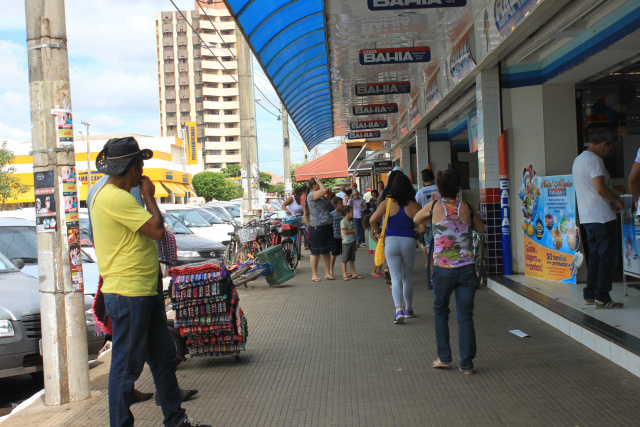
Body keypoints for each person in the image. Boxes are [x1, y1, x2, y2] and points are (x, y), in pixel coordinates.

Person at [90, 137, 208, 427]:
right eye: (140, 166)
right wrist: (149, 196)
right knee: (126, 367)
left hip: (143, 288)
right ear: (132, 168)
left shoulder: (107, 193)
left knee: (163, 357)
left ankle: (176, 419)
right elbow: (156, 230)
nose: (142, 173)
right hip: (129, 292)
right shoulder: (113, 197)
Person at [414, 169, 484, 375]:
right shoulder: (467, 207)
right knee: (465, 316)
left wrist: (433, 223)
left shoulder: (434, 206)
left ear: (437, 189)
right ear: (459, 188)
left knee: (441, 312)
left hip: (443, 270)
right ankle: (467, 364)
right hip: (466, 269)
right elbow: (480, 229)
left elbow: (417, 218)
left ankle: (444, 358)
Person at [572, 127, 625, 309]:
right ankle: (603, 297)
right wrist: (618, 200)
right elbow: (600, 189)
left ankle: (590, 293)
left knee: (594, 256)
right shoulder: (595, 160)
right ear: (603, 144)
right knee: (607, 258)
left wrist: (615, 187)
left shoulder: (579, 160)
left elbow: (594, 185)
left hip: (588, 218)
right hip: (603, 218)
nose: (609, 152)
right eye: (610, 148)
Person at [370, 173, 422, 324]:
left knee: (396, 278)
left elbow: (373, 219)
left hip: (391, 242)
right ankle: (409, 309)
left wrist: (379, 232)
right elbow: (423, 228)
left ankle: (398, 309)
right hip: (408, 242)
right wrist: (415, 231)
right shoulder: (414, 205)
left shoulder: (388, 202)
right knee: (407, 278)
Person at [304, 177, 335, 281]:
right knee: (315, 251)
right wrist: (320, 183)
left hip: (326, 225)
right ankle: (314, 275)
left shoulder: (319, 195)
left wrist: (327, 193)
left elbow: (328, 199)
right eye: (318, 184)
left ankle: (327, 273)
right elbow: (323, 191)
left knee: (326, 251)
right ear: (315, 185)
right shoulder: (311, 195)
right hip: (317, 227)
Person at [415, 168, 439, 284]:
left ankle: (432, 273)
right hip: (440, 223)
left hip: (427, 224)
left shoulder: (420, 192)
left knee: (429, 249)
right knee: (441, 247)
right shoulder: (439, 189)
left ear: (423, 180)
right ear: (434, 178)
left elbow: (417, 207)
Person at [340, 206, 361, 280]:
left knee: (352, 259)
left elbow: (354, 234)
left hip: (352, 242)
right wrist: (353, 231)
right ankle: (344, 273)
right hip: (346, 243)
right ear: (347, 213)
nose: (353, 213)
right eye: (352, 212)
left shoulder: (351, 222)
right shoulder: (343, 221)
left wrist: (355, 244)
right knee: (344, 259)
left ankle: (354, 273)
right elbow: (345, 232)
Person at [363, 213, 384, 277]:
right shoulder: (373, 226)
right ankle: (373, 271)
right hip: (374, 244)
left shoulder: (376, 225)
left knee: (380, 256)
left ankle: (379, 270)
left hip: (376, 243)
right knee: (376, 258)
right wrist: (377, 242)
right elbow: (372, 235)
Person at [329, 197, 344, 278]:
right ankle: (331, 270)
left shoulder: (343, 213)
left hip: (343, 237)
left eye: (342, 203)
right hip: (335, 237)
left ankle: (344, 271)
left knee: (344, 254)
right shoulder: (331, 214)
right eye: (340, 204)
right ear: (335, 205)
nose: (342, 205)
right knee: (334, 254)